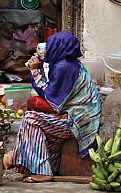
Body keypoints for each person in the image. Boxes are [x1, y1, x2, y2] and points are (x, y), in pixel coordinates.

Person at [7, 31, 103, 183]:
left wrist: (34, 71)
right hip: (77, 115)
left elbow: (50, 99)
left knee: (31, 119)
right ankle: (41, 166)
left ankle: (42, 171)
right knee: (35, 117)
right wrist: (38, 69)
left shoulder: (63, 67)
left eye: (51, 46)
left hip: (78, 120)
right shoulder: (68, 63)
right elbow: (52, 91)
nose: (48, 49)